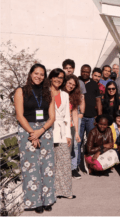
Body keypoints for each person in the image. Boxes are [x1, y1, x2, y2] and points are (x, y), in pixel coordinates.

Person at [15, 63, 55, 213]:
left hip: (45, 130)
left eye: (42, 74)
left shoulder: (48, 92)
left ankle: (48, 199)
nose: (39, 76)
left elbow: (52, 117)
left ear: (44, 77)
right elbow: (20, 115)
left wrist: (41, 131)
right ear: (31, 73)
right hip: (27, 130)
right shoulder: (21, 91)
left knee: (47, 167)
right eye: (36, 73)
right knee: (31, 167)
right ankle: (35, 201)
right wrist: (33, 133)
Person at [49, 68, 75, 200]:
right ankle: (52, 192)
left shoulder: (65, 95)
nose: (58, 80)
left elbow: (67, 116)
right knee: (51, 162)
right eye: (56, 77)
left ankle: (65, 191)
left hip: (62, 131)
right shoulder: (45, 93)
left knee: (64, 162)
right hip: (48, 130)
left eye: (61, 78)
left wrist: (68, 135)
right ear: (51, 77)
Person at [62, 59, 85, 179]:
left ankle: (71, 169)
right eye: (69, 83)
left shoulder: (73, 96)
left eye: (73, 85)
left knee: (72, 148)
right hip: (59, 127)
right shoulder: (59, 93)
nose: (71, 86)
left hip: (70, 127)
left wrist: (76, 131)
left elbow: (75, 113)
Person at [77, 64, 102, 171]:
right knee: (78, 141)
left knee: (91, 142)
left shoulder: (94, 84)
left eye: (87, 72)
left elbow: (98, 101)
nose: (85, 73)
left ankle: (90, 164)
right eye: (83, 71)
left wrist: (99, 116)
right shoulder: (76, 81)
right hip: (79, 117)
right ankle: (77, 164)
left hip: (91, 117)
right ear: (80, 71)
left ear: (90, 73)